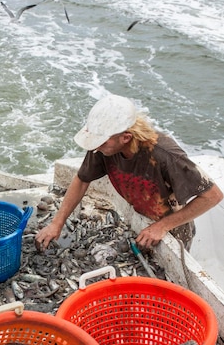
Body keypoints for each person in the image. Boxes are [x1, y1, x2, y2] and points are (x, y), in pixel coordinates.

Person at [35, 94, 223, 252]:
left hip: (173, 230)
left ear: (126, 137)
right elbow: (82, 180)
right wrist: (57, 223)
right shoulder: (104, 148)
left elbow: (212, 196)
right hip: (141, 219)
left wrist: (162, 227)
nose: (96, 146)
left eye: (102, 141)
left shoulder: (165, 155)